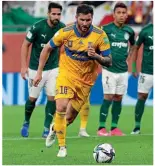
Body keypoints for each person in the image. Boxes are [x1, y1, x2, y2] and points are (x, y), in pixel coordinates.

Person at [33, 4, 112, 157]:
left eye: (88, 20)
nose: (85, 23)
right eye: (82, 20)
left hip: (86, 81)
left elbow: (109, 61)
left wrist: (96, 56)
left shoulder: (100, 35)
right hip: (66, 75)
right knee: (61, 106)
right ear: (76, 18)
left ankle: (54, 128)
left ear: (92, 19)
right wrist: (39, 72)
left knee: (68, 118)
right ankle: (62, 147)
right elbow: (46, 48)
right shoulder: (65, 32)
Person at [20, 2, 65, 138]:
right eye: (54, 14)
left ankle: (46, 128)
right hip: (35, 68)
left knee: (52, 97)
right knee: (32, 98)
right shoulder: (37, 27)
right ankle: (26, 122)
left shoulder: (62, 28)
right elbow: (25, 45)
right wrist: (23, 66)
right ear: (48, 14)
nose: (56, 16)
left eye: (58, 14)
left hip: (53, 68)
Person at [97, 2, 135, 136]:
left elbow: (133, 45)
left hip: (123, 70)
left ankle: (114, 128)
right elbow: (96, 43)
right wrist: (100, 58)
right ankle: (101, 127)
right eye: (118, 13)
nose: (121, 15)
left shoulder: (129, 31)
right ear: (114, 14)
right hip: (109, 69)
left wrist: (128, 57)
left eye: (124, 13)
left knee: (118, 97)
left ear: (126, 15)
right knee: (108, 96)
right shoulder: (105, 29)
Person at [131, 22, 153, 134]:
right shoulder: (146, 30)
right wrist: (134, 67)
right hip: (147, 71)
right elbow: (135, 48)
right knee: (142, 96)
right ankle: (137, 127)